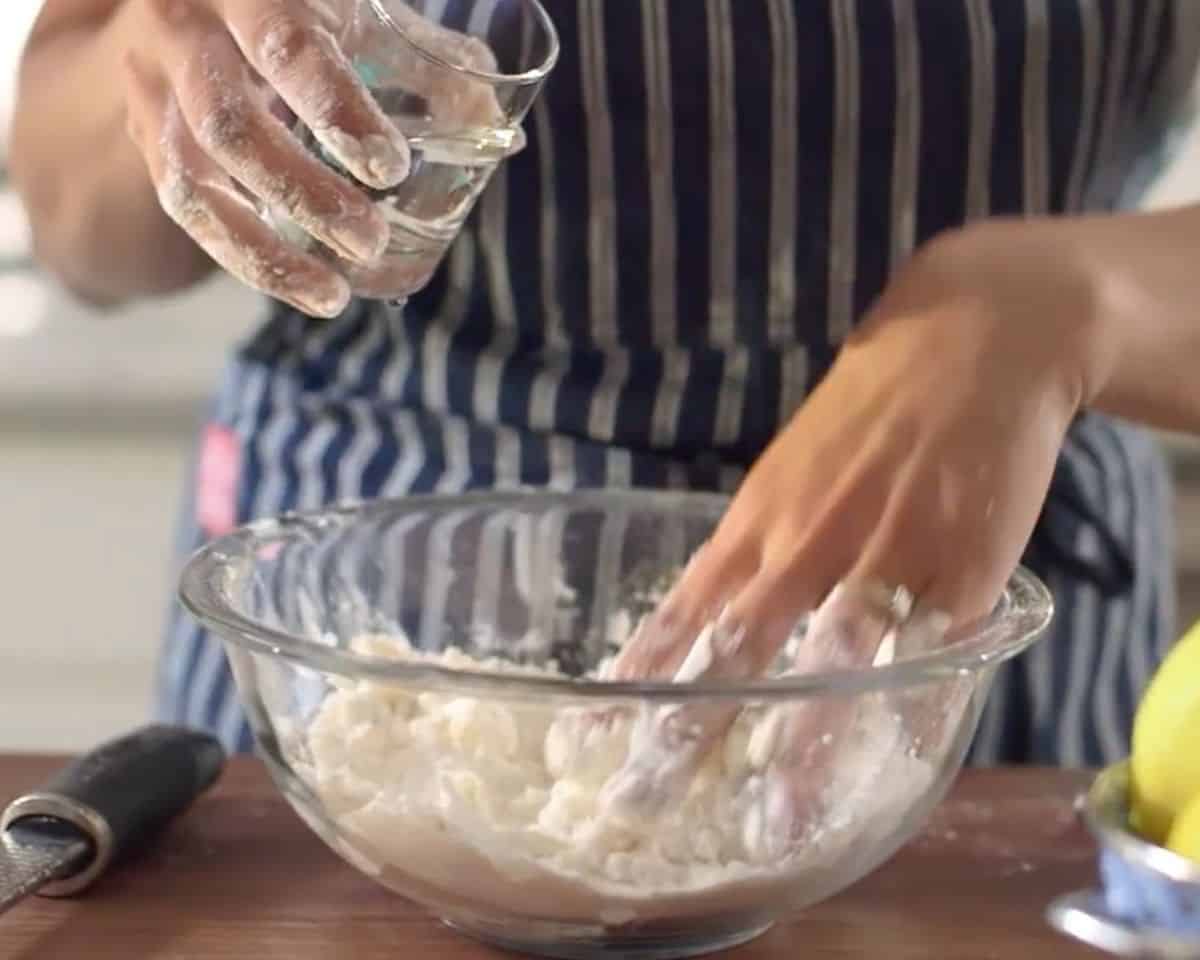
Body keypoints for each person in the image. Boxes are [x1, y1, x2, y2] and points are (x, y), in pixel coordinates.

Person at [10, 0, 1200, 764]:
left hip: (956, 660)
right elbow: (71, 210)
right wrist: (178, 89)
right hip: (348, 672)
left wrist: (1071, 300)